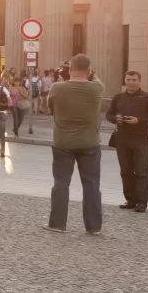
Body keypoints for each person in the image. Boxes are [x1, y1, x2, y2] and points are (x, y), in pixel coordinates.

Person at [46, 54, 105, 235]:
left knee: (61, 183)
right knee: (91, 185)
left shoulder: (57, 87)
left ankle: (57, 224)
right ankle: (93, 227)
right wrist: (91, 75)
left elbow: (50, 106)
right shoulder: (97, 88)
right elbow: (95, 80)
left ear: (70, 69)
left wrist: (63, 77)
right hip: (90, 143)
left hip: (63, 142)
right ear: (89, 71)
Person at [107, 70, 148, 213]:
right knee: (126, 170)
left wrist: (140, 121)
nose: (131, 82)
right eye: (128, 79)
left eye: (134, 80)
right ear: (125, 81)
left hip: (140, 138)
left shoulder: (147, 98)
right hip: (122, 139)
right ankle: (130, 200)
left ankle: (142, 202)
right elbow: (109, 114)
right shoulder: (118, 97)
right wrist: (115, 119)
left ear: (139, 81)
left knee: (142, 170)